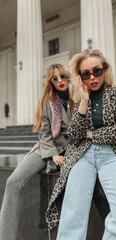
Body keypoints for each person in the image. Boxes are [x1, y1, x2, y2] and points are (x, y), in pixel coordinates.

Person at [46, 49, 116, 240]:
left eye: (96, 71)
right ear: (80, 76)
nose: (92, 77)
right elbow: (74, 135)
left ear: (105, 69)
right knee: (70, 223)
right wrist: (83, 102)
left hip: (113, 154)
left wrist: (89, 134)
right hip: (82, 155)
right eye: (86, 73)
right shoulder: (80, 98)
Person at [0, 63, 73, 240]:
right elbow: (44, 134)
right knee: (12, 182)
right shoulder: (48, 103)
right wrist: (53, 154)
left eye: (62, 76)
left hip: (73, 149)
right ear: (51, 82)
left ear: (68, 75)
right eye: (54, 79)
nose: (60, 81)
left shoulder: (79, 97)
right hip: (47, 148)